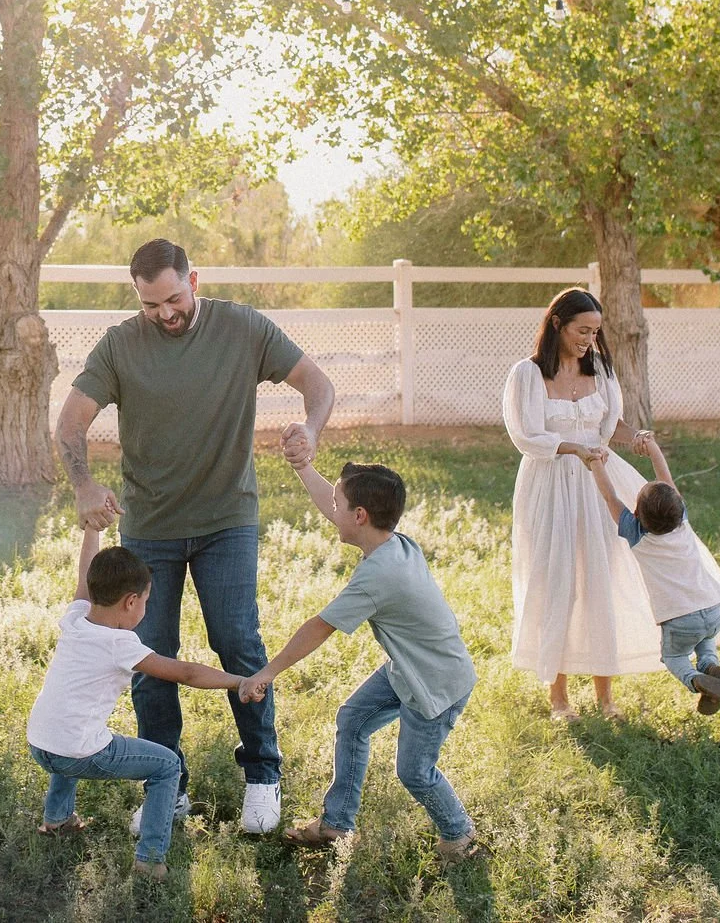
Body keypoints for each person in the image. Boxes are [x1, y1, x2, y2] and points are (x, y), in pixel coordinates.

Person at [57, 238, 335, 835]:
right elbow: (71, 422)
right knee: (148, 660)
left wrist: (310, 427)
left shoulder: (242, 328)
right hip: (150, 527)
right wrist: (82, 484)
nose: (165, 313)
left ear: (195, 280)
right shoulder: (120, 345)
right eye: (151, 303)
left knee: (238, 643)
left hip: (225, 521)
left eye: (174, 298)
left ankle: (263, 775)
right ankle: (169, 782)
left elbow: (317, 382)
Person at [500, 288, 720, 719]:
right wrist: (575, 449)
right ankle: (558, 698)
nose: (589, 340)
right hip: (552, 485)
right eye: (581, 330)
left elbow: (610, 426)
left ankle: (605, 696)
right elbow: (525, 436)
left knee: (602, 580)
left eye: (595, 332)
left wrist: (638, 439)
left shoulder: (601, 369)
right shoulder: (527, 374)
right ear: (557, 323)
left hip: (602, 480)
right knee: (558, 584)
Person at [241, 462, 483, 865]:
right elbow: (334, 506)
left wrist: (268, 671)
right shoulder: (393, 543)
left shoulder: (379, 574)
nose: (331, 512)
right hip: (409, 671)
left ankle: (459, 835)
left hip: (436, 685)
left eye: (339, 506)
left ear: (359, 516)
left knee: (415, 772)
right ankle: (337, 822)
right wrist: (303, 468)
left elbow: (320, 627)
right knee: (353, 719)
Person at [25, 523, 253, 881]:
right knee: (166, 766)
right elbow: (186, 673)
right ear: (131, 601)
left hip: (40, 742)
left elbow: (85, 578)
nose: (145, 609)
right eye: (145, 602)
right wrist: (239, 680)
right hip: (74, 751)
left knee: (69, 737)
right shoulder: (122, 644)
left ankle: (56, 820)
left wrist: (91, 529)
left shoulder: (75, 619)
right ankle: (150, 859)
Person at [583, 431, 720, 714]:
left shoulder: (638, 535)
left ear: (636, 515)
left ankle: (695, 679)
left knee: (674, 657)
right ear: (677, 504)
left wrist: (596, 463)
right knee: (705, 638)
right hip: (711, 608)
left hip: (678, 617)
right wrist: (652, 446)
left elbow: (610, 497)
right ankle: (709, 664)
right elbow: (665, 478)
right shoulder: (681, 522)